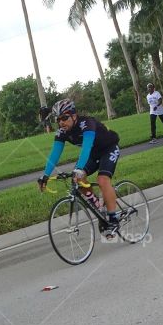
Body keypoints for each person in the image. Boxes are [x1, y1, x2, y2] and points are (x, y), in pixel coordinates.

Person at [37, 99, 123, 237]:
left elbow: (87, 146)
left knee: (102, 179)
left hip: (108, 148)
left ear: (74, 115)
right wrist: (45, 175)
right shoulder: (62, 132)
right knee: (77, 180)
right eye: (58, 119)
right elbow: (55, 153)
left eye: (64, 118)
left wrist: (80, 169)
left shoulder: (87, 124)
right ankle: (97, 206)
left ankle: (113, 219)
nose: (61, 122)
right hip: (93, 154)